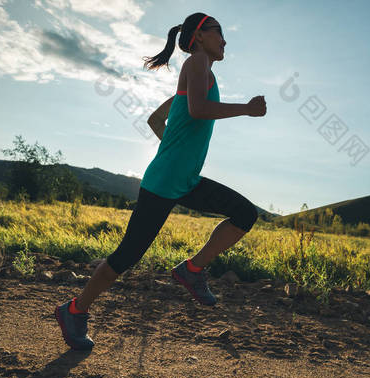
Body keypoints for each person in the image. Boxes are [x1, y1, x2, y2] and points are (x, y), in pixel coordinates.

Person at [55, 12, 267, 351]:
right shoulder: (197, 62)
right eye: (219, 33)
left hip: (185, 179)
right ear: (199, 37)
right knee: (125, 258)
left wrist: (171, 145)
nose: (225, 41)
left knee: (245, 214)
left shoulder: (201, 74)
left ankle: (192, 269)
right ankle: (74, 310)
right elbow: (197, 110)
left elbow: (157, 118)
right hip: (164, 182)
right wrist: (246, 109)